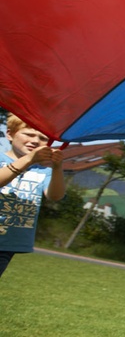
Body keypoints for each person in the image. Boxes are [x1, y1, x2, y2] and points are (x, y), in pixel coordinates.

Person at [0, 115, 66, 279]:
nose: (36, 141)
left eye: (43, 138)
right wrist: (28, 159)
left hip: (8, 242)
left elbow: (55, 196)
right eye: (29, 134)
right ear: (10, 134)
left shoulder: (43, 171)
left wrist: (57, 168)